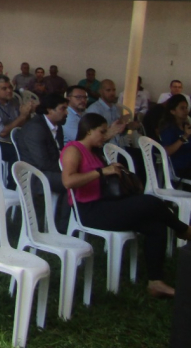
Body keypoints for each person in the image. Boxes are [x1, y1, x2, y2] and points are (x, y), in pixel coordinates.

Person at [61, 113, 191, 298]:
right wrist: (101, 172)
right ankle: (184, 230)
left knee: (156, 226)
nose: (104, 136)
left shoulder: (94, 151)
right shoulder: (73, 149)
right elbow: (68, 181)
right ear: (89, 131)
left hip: (106, 204)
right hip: (89, 210)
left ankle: (156, 282)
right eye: (102, 132)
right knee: (151, 202)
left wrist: (112, 169)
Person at [17, 94, 67, 194]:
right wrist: (68, 169)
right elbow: (43, 163)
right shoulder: (35, 128)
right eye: (63, 109)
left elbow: (60, 152)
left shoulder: (58, 126)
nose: (66, 112)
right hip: (36, 175)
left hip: (51, 171)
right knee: (76, 181)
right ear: (49, 110)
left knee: (80, 179)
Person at [86, 80, 138, 147]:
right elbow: (93, 139)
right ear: (100, 91)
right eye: (108, 90)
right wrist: (114, 128)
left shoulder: (116, 108)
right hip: (106, 149)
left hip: (121, 146)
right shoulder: (94, 110)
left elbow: (118, 132)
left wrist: (127, 126)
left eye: (114, 90)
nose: (112, 93)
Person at [158, 94, 191, 178]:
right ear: (173, 111)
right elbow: (166, 151)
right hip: (181, 168)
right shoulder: (168, 129)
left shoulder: (186, 126)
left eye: (186, 108)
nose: (186, 111)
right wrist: (184, 137)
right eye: (182, 108)